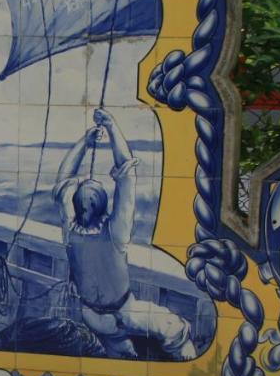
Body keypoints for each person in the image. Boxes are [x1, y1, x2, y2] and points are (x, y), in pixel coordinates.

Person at [53, 108, 197, 360]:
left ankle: (122, 352)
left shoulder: (70, 231)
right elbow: (126, 176)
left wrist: (84, 143)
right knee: (177, 331)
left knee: (118, 350)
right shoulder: (114, 233)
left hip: (92, 317)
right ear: (104, 206)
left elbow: (63, 179)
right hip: (125, 313)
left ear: (76, 205)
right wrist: (111, 125)